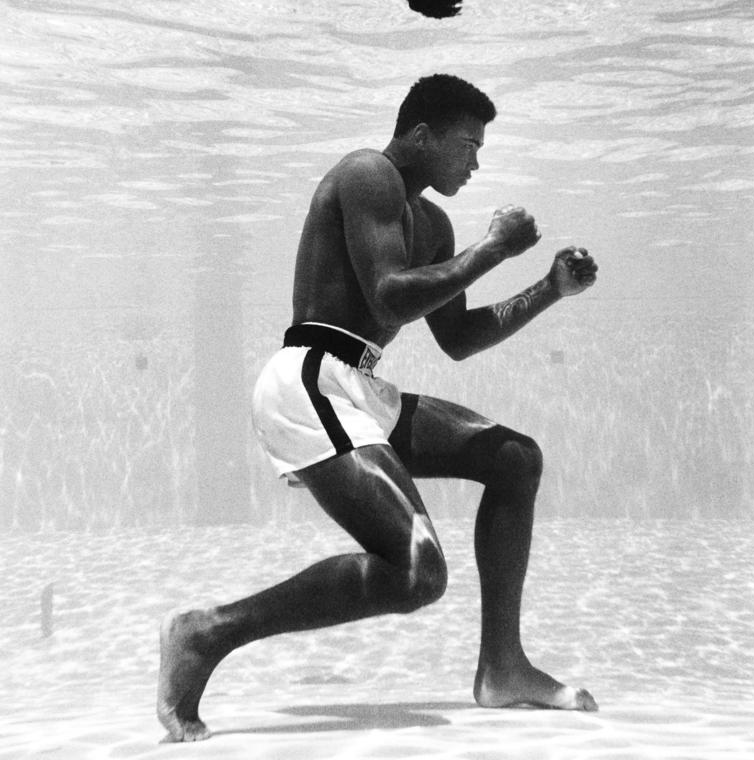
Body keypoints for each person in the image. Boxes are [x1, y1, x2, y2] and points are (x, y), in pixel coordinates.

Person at [157, 73, 599, 742]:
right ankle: (207, 632)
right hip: (308, 379)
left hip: (360, 386)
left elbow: (457, 338)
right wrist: (494, 249)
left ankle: (503, 667)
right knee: (418, 573)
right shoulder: (368, 173)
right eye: (467, 146)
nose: (476, 162)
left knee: (514, 459)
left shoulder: (433, 222)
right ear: (421, 135)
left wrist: (548, 289)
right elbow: (391, 295)